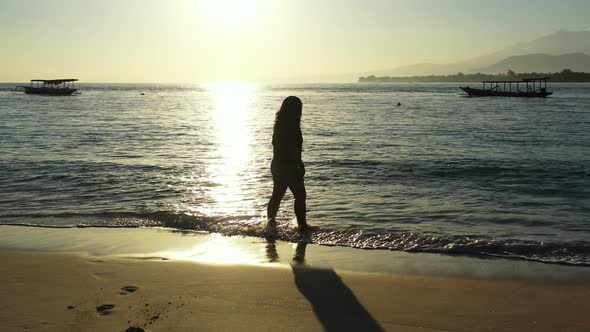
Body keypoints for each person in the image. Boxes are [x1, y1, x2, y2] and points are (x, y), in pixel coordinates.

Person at [267, 96, 311, 232]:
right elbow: (293, 150)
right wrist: (299, 165)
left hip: (277, 164)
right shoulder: (292, 128)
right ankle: (302, 225)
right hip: (288, 166)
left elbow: (277, 147)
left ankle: (271, 223)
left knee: (277, 195)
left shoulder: (279, 125)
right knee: (300, 195)